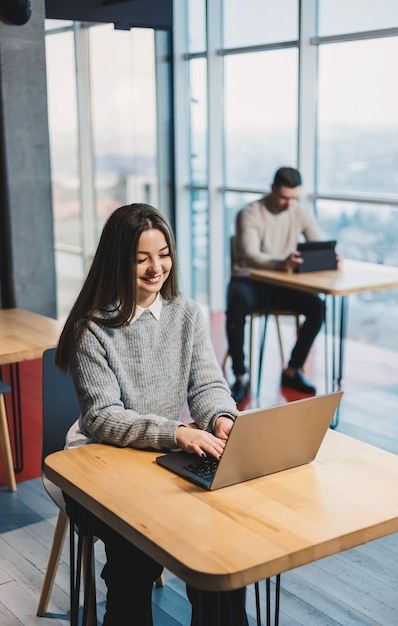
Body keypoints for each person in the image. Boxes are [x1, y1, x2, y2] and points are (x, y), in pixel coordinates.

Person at [55, 203, 249, 626]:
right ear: (116, 260)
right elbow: (103, 417)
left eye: (163, 254)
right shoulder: (91, 327)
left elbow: (208, 385)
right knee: (134, 560)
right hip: (96, 460)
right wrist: (178, 433)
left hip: (160, 454)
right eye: (140, 258)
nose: (155, 268)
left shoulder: (186, 313)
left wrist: (220, 419)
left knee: (222, 555)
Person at [226, 166, 327, 403]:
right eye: (283, 197)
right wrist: (280, 263)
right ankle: (240, 376)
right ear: (272, 189)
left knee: (317, 307)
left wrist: (328, 255)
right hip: (249, 280)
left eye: (293, 198)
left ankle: (292, 371)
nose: (288, 203)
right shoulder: (249, 213)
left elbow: (317, 243)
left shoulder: (298, 212)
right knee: (236, 301)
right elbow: (250, 255)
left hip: (280, 283)